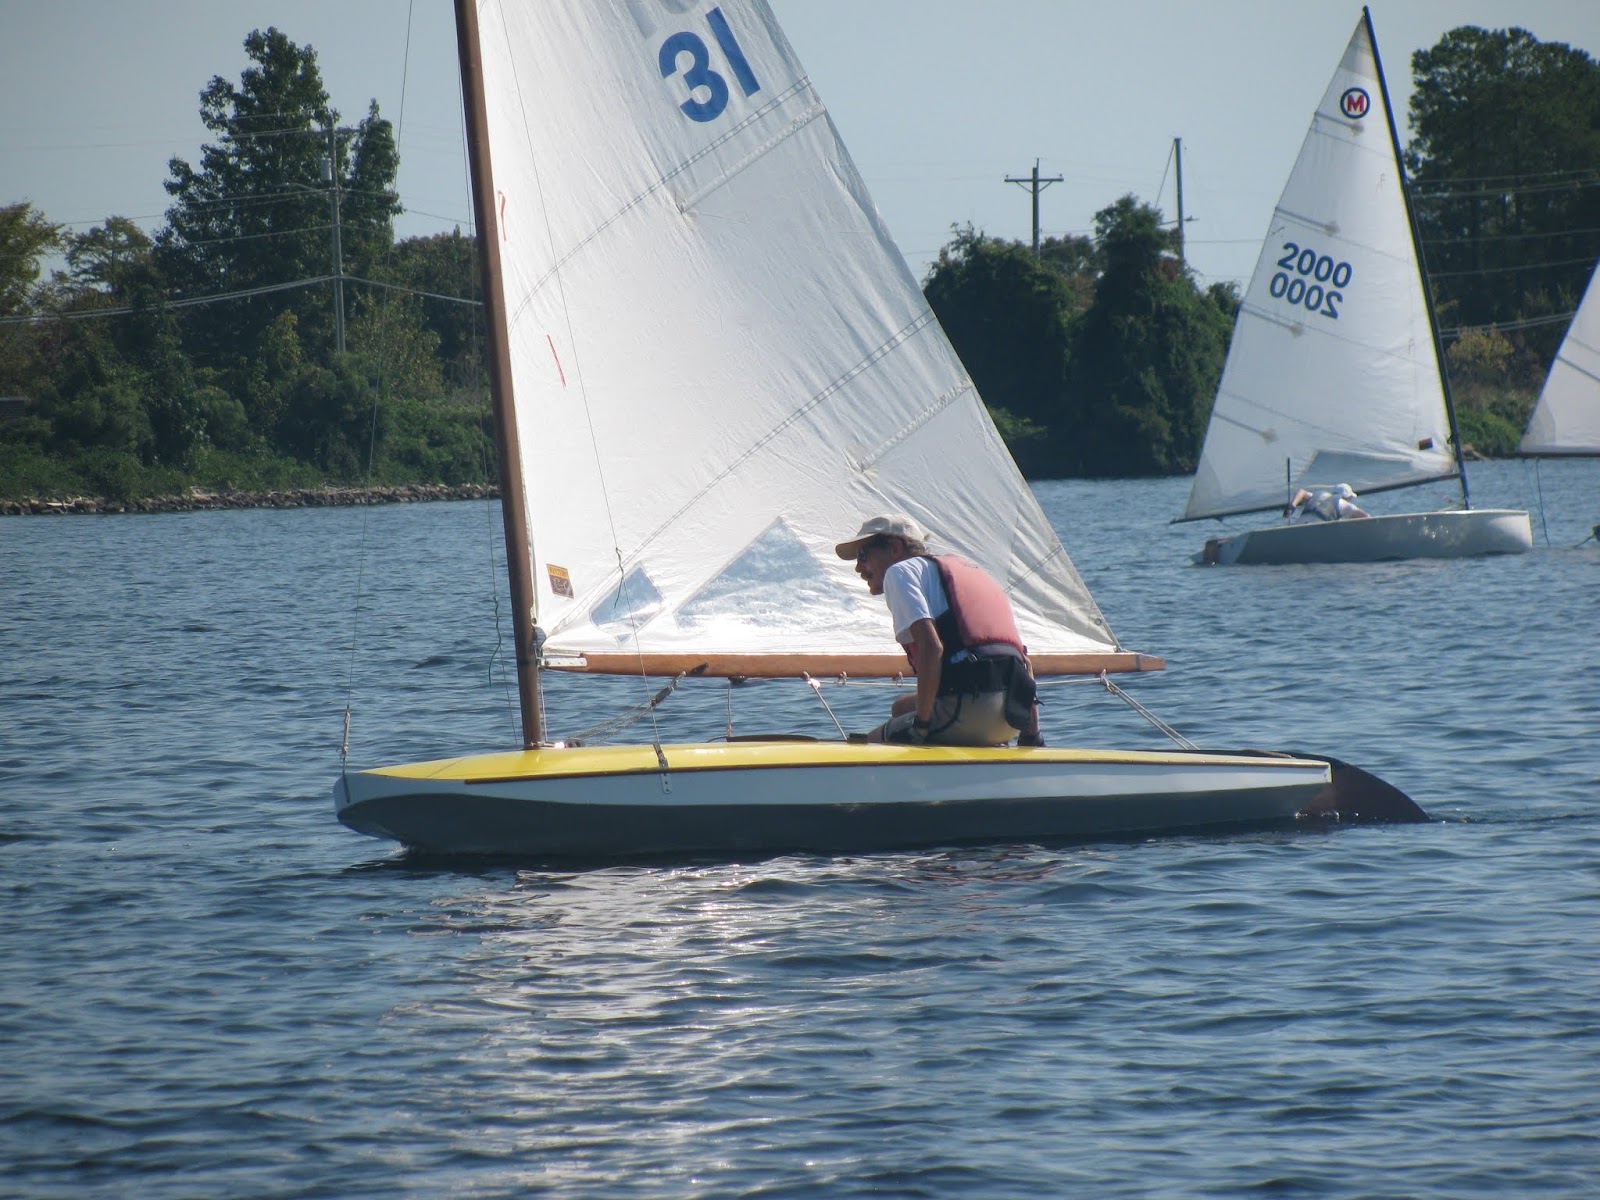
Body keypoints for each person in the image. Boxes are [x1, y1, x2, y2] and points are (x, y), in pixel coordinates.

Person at [834, 514, 1043, 748]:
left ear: (894, 548)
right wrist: (1031, 737)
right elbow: (1023, 661)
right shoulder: (971, 571)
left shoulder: (900, 572)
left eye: (863, 555)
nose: (857, 568)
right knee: (901, 708)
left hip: (969, 708)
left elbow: (931, 648)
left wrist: (921, 727)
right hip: (1012, 715)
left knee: (866, 748)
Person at [1285, 483, 1370, 522]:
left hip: (1299, 526)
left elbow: (1301, 491)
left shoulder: (1318, 495)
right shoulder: (1344, 504)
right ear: (1348, 497)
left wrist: (1291, 506)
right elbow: (1366, 516)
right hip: (1315, 531)